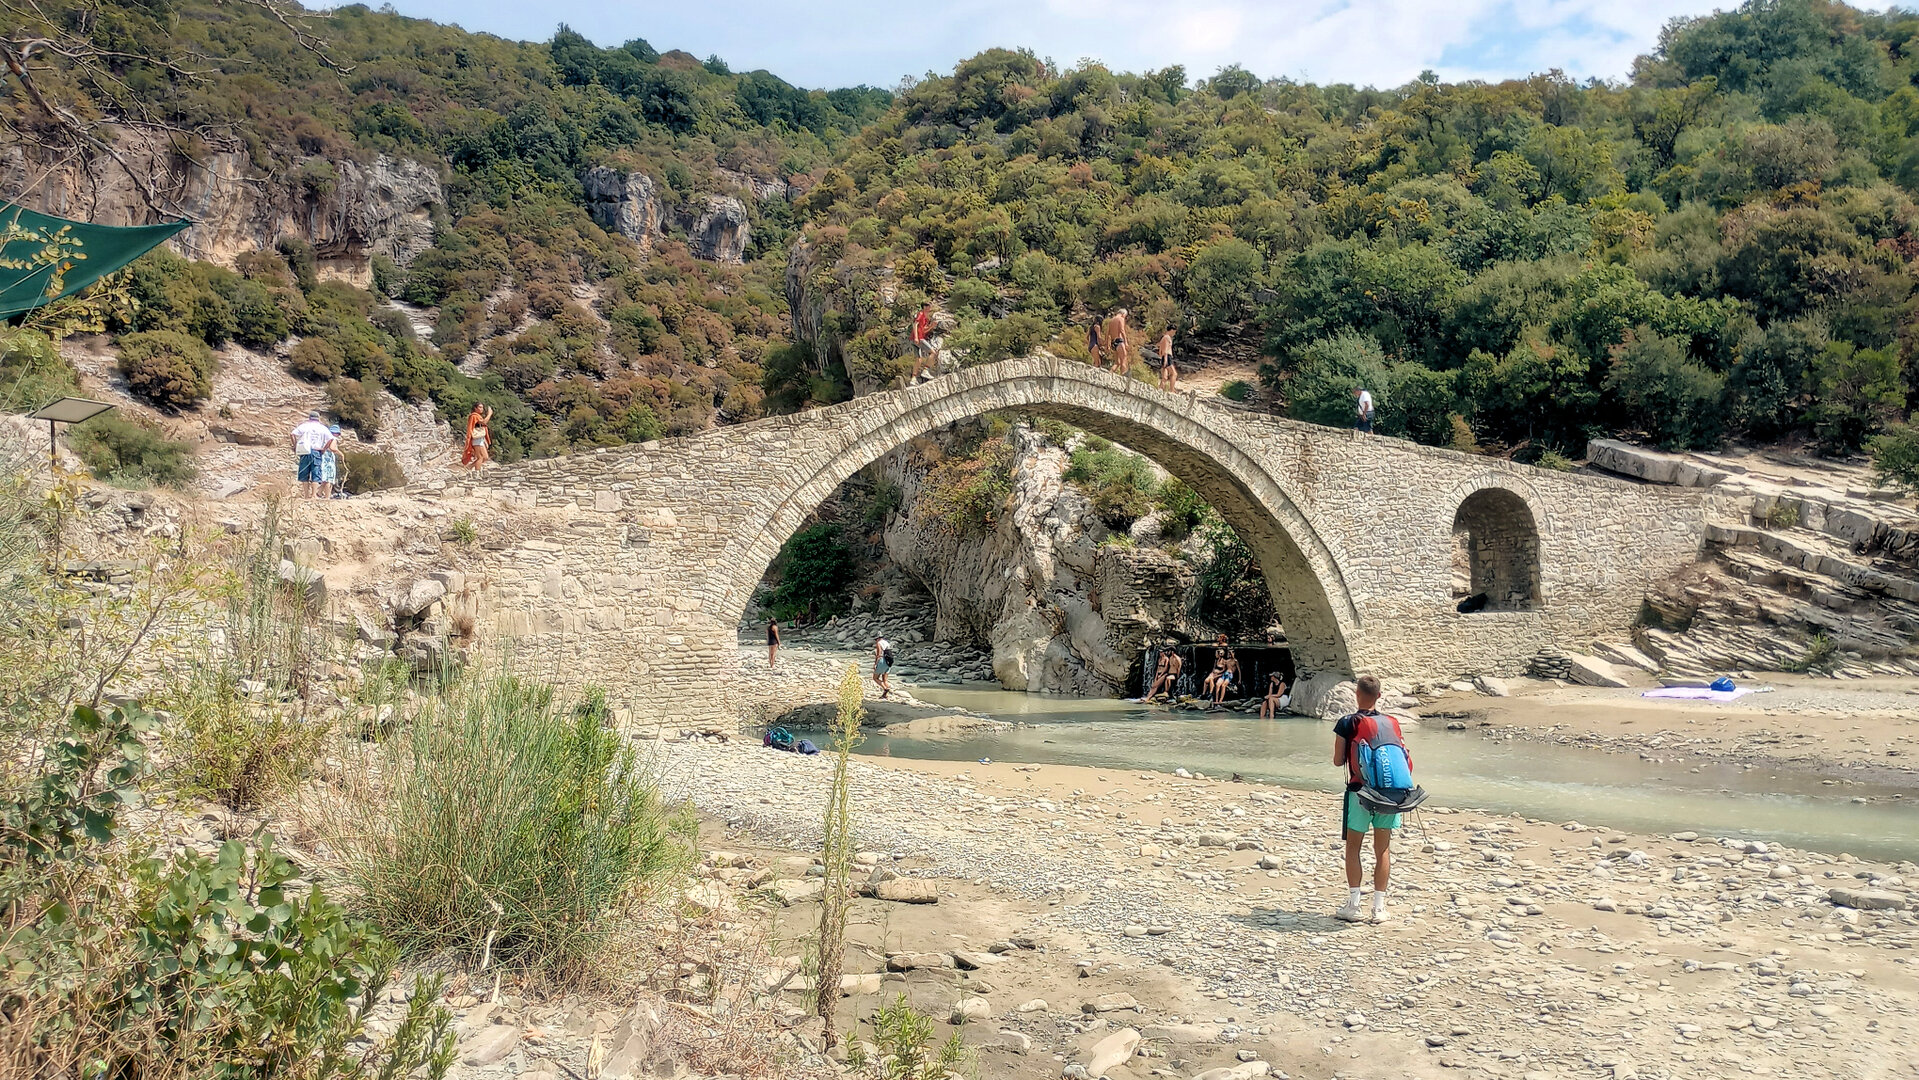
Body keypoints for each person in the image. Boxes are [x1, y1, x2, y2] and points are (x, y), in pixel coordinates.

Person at [1333, 674, 1403, 922]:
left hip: (1359, 792)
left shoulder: (1347, 722)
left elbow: (1338, 760)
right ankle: (1379, 908)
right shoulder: (1392, 722)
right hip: (1389, 794)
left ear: (1356, 694)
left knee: (1353, 847)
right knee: (1382, 849)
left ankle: (1354, 906)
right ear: (1379, 696)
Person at [291, 411, 330, 499]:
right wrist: (324, 449)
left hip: (304, 451)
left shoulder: (304, 426)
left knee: (304, 473)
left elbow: (292, 434)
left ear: (309, 418)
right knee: (316, 472)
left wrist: (295, 446)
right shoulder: (322, 428)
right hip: (316, 451)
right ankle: (313, 495)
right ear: (318, 418)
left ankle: (306, 495)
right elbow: (330, 439)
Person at [462, 402, 494, 469]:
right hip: (476, 439)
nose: (481, 409)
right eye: (480, 407)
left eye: (482, 407)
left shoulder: (478, 416)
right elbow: (484, 422)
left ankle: (469, 467)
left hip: (480, 438)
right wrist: (489, 414)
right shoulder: (474, 416)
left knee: (485, 457)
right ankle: (477, 473)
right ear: (475, 408)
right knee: (480, 457)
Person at [317, 423, 342, 499]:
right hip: (329, 460)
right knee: (329, 478)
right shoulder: (333, 439)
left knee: (324, 478)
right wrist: (340, 453)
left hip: (323, 458)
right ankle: (327, 496)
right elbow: (332, 448)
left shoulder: (324, 438)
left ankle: (319, 493)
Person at [1103, 308, 1131, 373]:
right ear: (1123, 314)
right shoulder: (1121, 319)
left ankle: (1110, 373)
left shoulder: (1111, 320)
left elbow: (1107, 333)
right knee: (1123, 360)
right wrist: (1126, 342)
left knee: (1117, 363)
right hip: (1119, 341)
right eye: (1125, 316)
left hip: (1113, 342)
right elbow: (1122, 330)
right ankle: (1123, 376)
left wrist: (1107, 344)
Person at [910, 303, 934, 378]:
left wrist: (931, 326)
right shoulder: (921, 314)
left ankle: (913, 378)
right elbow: (915, 324)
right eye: (928, 306)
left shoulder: (926, 318)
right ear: (924, 307)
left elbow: (923, 330)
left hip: (914, 339)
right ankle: (925, 370)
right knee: (933, 353)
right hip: (919, 338)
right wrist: (916, 337)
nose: (930, 308)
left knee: (919, 359)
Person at [1156, 326, 1178, 392]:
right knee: (1174, 373)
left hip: (1164, 357)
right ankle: (1172, 390)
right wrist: (1165, 359)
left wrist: (1162, 358)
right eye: (1174, 332)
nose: (1174, 334)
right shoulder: (1167, 338)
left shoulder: (1163, 338)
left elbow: (1160, 351)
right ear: (1171, 330)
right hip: (1167, 357)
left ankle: (1160, 389)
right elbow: (1165, 350)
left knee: (1165, 377)